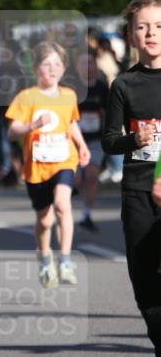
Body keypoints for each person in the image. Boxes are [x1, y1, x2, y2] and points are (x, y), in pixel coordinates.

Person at [102, 0, 161, 357]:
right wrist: (133, 139)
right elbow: (109, 140)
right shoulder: (123, 84)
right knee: (144, 282)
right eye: (142, 27)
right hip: (138, 190)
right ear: (131, 36)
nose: (151, 33)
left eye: (158, 26)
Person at [6, 41, 90, 287]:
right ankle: (44, 258)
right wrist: (33, 125)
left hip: (64, 160)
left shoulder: (69, 96)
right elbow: (12, 132)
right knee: (44, 220)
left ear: (64, 68)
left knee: (63, 205)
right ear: (35, 68)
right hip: (37, 167)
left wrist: (82, 145)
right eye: (46, 64)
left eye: (57, 64)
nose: (52, 69)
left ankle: (66, 260)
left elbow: (71, 123)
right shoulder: (26, 97)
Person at [73, 50, 109, 232]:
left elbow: (110, 111)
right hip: (74, 140)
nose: (87, 67)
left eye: (90, 63)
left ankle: (87, 215)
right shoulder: (72, 88)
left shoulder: (102, 88)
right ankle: (65, 208)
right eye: (83, 63)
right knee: (77, 180)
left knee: (92, 175)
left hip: (95, 138)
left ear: (95, 65)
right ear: (77, 67)